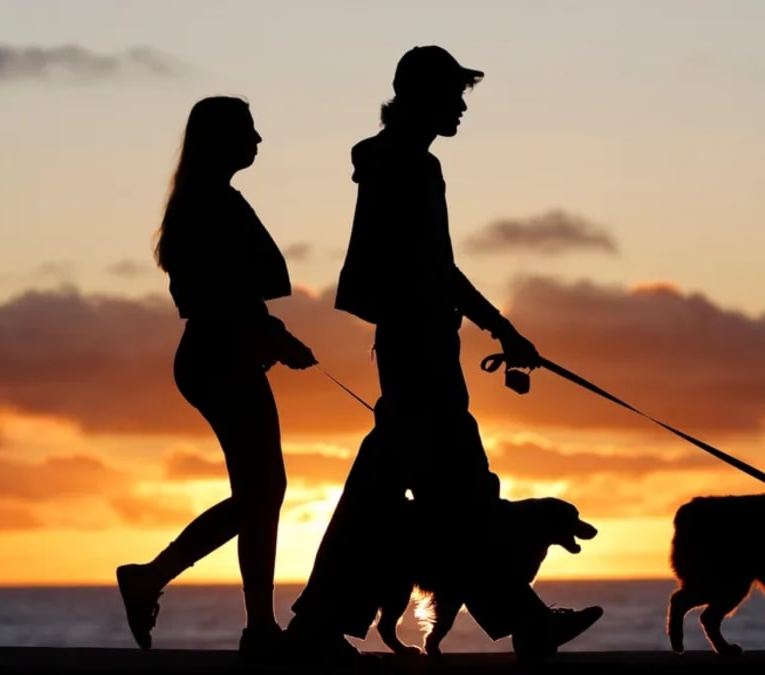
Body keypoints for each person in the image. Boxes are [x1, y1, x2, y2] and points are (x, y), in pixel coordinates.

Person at [282, 46, 603, 664]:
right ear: (422, 96)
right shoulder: (407, 165)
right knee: (459, 498)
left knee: (418, 499)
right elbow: (433, 267)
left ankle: (319, 626)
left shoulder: (397, 161)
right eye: (453, 95)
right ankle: (523, 621)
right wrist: (501, 328)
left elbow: (433, 267)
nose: (460, 107)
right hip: (420, 351)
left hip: (419, 346)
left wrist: (495, 327)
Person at [115, 96, 318, 657]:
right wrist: (267, 333)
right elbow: (223, 295)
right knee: (263, 491)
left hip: (220, 351)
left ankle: (235, 616)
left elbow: (238, 292)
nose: (258, 142)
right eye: (248, 132)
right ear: (220, 139)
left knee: (261, 492)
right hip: (218, 354)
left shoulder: (207, 202)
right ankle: (230, 615)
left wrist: (269, 331)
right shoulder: (211, 205)